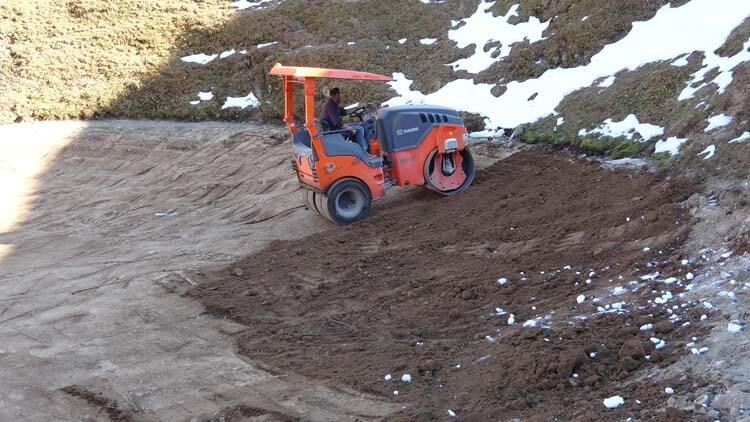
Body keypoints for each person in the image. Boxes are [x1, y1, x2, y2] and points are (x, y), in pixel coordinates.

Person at [322, 87, 368, 152]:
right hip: (334, 131)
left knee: (358, 125)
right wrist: (350, 128)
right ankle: (364, 152)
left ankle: (358, 148)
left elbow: (345, 112)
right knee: (359, 129)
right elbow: (337, 123)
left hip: (334, 128)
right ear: (337, 95)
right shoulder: (331, 105)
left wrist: (357, 108)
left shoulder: (333, 104)